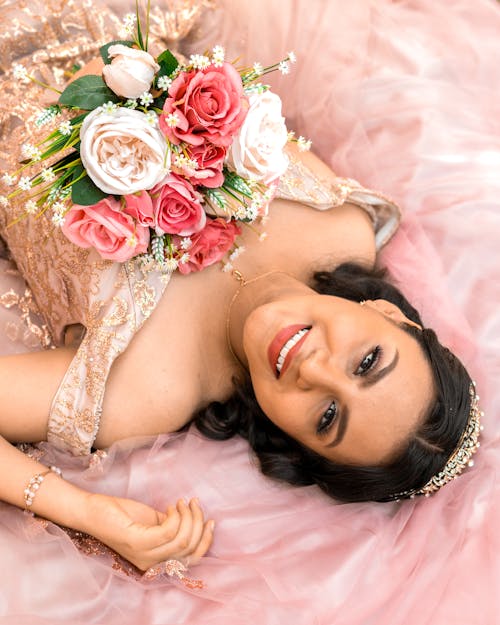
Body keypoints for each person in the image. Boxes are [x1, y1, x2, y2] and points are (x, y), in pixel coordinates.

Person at [0, 1, 497, 623]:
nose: (316, 370)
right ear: (389, 314)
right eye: (367, 360)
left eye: (327, 416)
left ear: (289, 441)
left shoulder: (145, 392)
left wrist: (81, 509)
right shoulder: (338, 225)